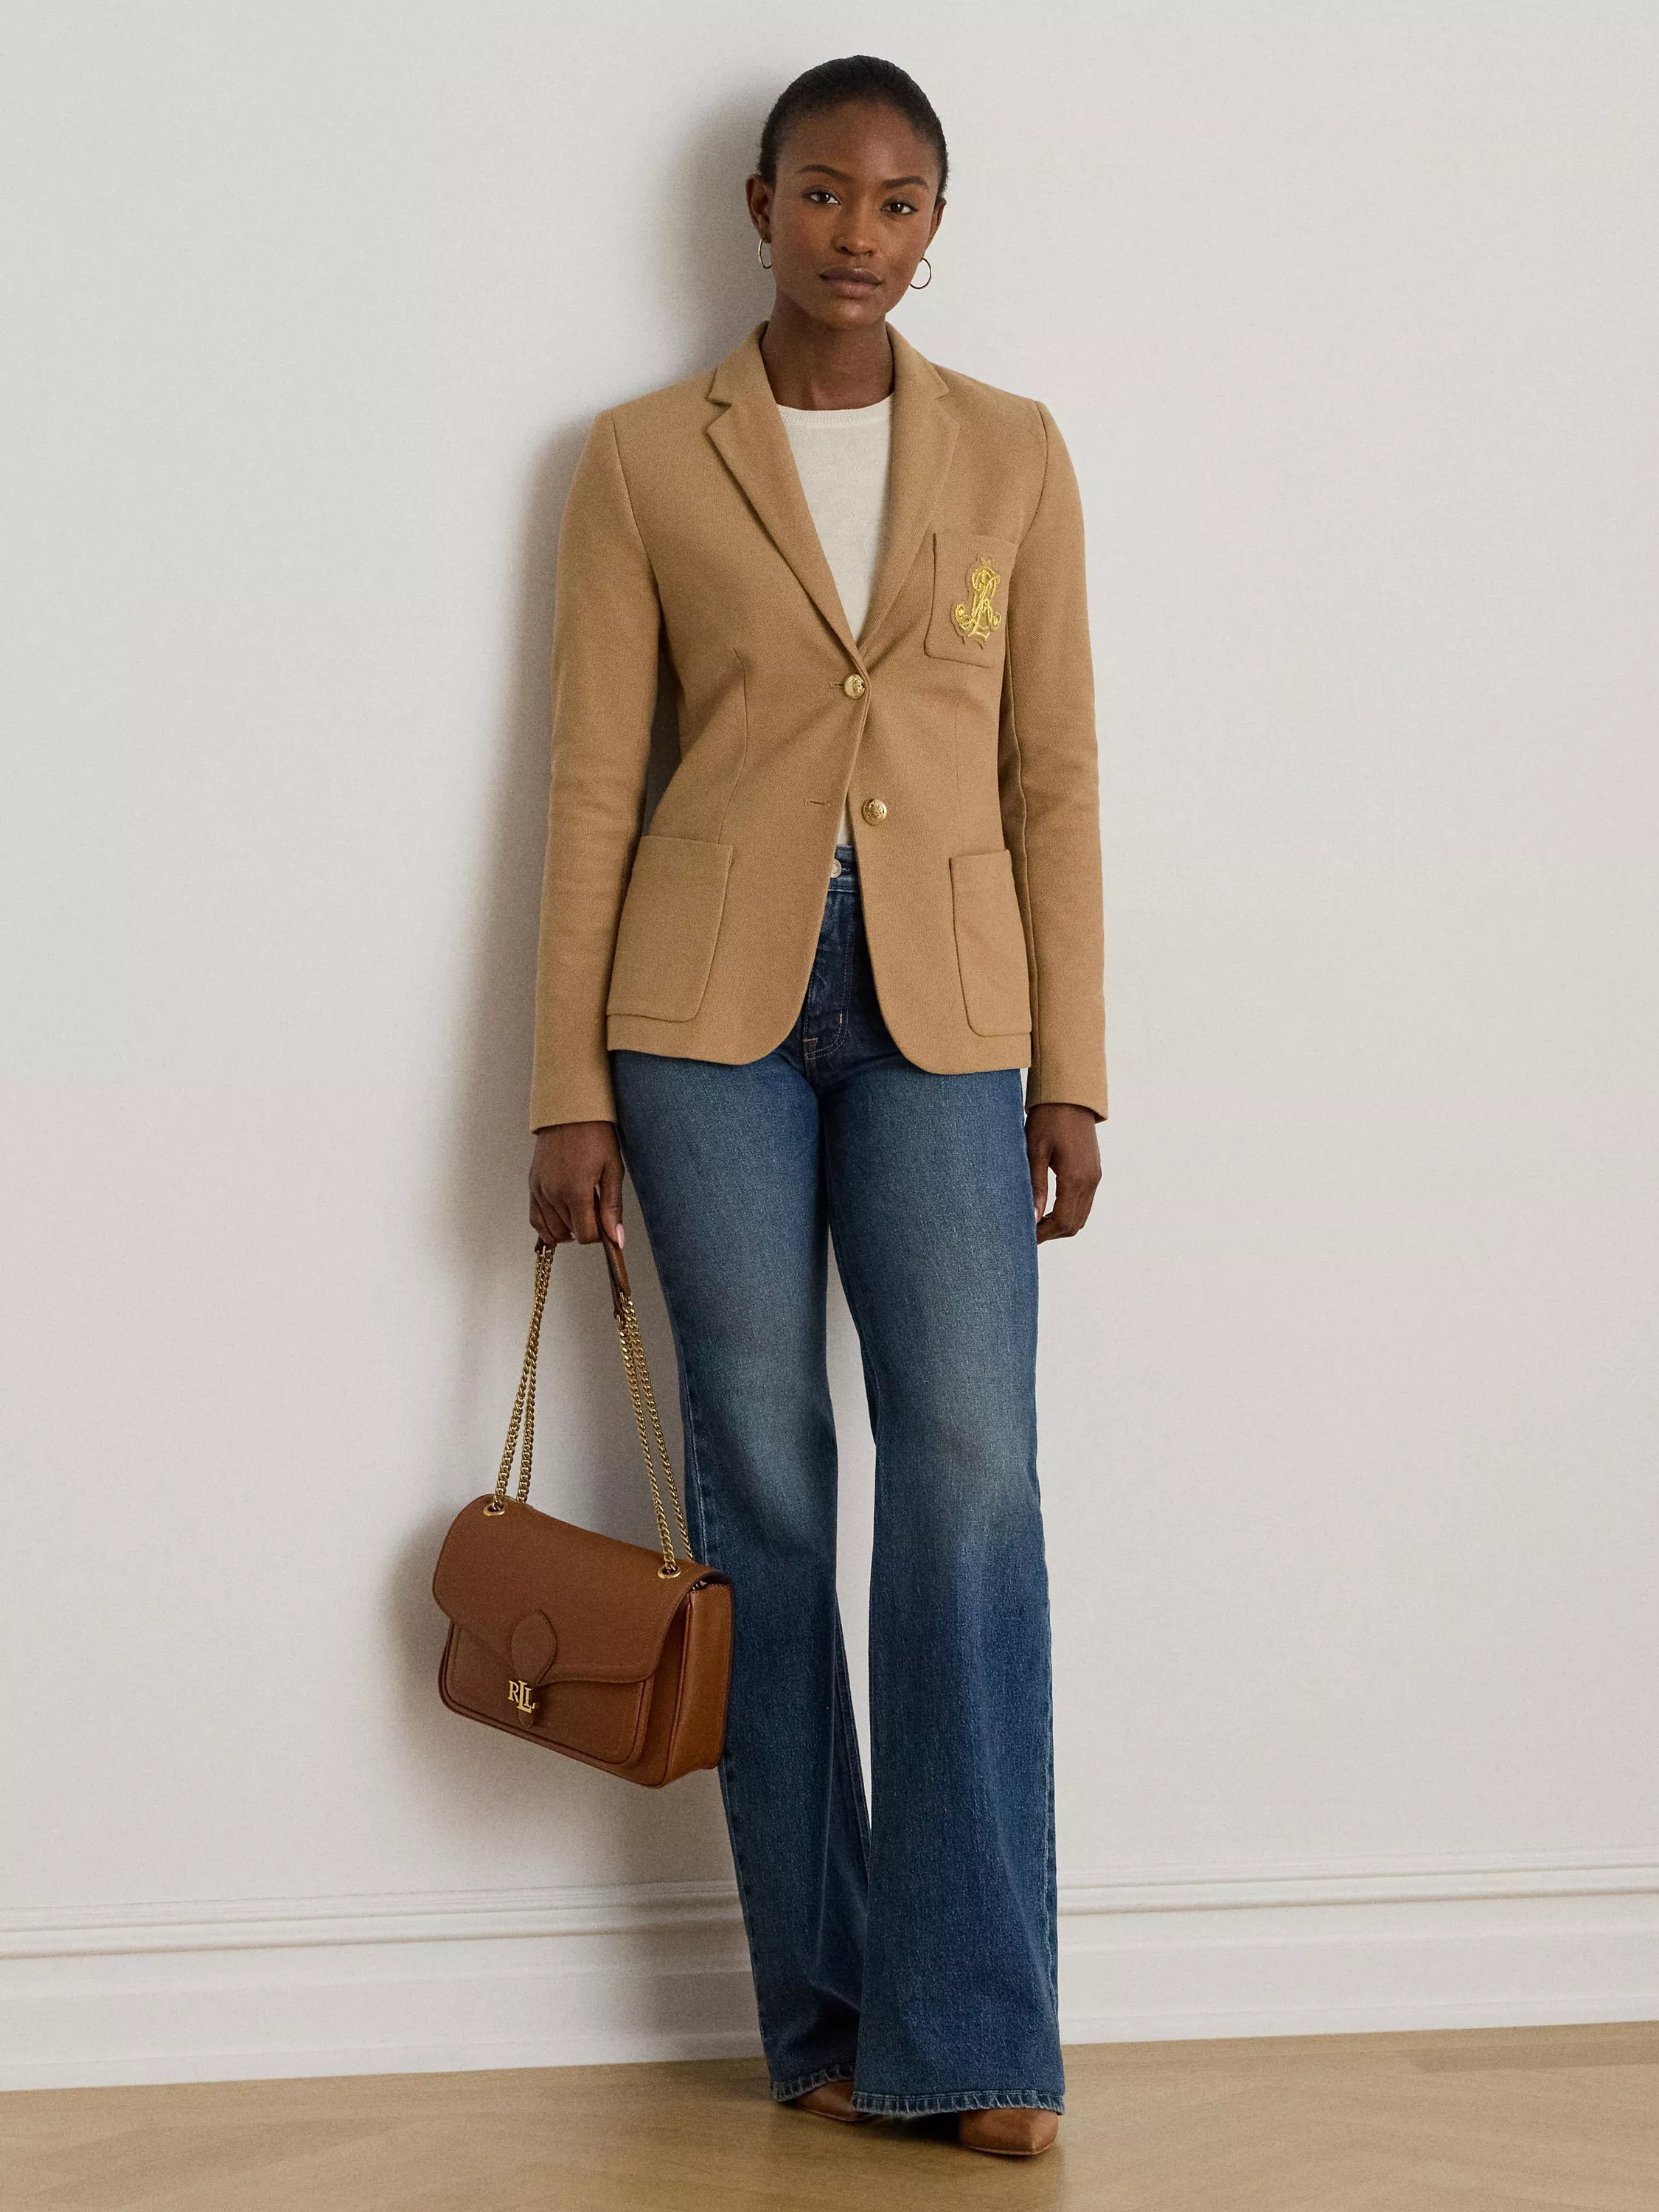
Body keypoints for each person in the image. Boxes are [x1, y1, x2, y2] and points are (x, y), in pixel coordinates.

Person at [527, 54, 1105, 2162]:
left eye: (901, 201)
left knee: (969, 1488)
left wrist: (1076, 1069)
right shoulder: (639, 459)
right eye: (826, 192)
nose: (860, 231)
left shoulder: (1015, 452)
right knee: (765, 1495)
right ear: (761, 205)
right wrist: (564, 1084)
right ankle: (831, 2016)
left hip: (949, 1018)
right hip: (702, 1025)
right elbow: (594, 781)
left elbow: (1054, 775)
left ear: (936, 229)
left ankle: (981, 2030)